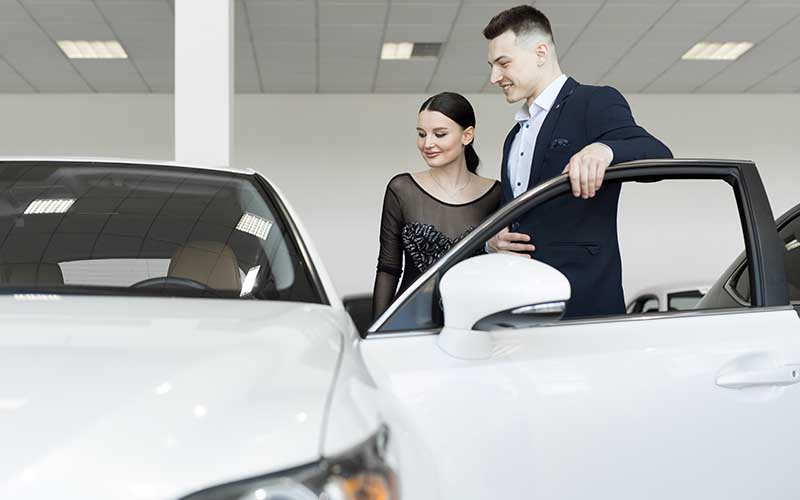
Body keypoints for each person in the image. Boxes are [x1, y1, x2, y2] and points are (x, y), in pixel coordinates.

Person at [483, 5, 673, 318]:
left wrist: (604, 150)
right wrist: (495, 242)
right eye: (492, 65)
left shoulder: (593, 102)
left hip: (584, 308)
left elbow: (658, 154)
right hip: (521, 307)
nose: (494, 77)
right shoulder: (514, 136)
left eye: (503, 63)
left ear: (541, 53)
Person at [372, 92, 501, 319]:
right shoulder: (401, 189)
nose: (427, 144)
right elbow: (388, 268)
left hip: (473, 323)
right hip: (409, 321)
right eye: (422, 134)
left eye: (439, 134)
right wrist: (376, 329)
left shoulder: (497, 194)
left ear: (467, 135)